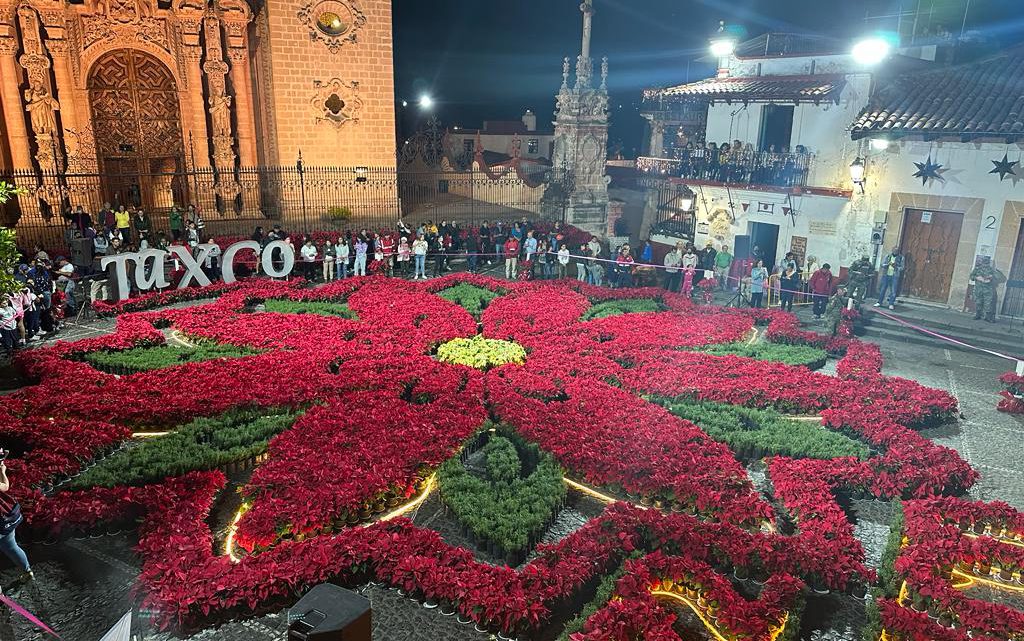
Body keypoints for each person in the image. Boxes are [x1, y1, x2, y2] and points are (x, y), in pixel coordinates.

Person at [0, 451, 33, 583]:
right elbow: (5, 486)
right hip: (5, 521)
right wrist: (2, 471)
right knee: (12, 547)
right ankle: (27, 571)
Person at [970, 256, 1002, 323]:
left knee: (988, 304)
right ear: (982, 262)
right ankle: (978, 315)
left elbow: (999, 277)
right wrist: (977, 278)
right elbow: (971, 276)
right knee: (978, 302)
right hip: (978, 289)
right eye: (984, 262)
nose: (985, 264)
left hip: (988, 290)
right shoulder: (977, 269)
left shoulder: (991, 269)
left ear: (988, 263)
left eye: (986, 263)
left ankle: (988, 317)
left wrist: (991, 277)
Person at [874, 246, 904, 310]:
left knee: (893, 291)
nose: (895, 252)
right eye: (894, 250)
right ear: (892, 250)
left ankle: (891, 303)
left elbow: (902, 268)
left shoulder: (901, 258)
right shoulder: (888, 256)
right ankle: (879, 302)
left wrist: (896, 267)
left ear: (898, 251)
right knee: (882, 289)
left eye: (897, 251)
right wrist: (887, 265)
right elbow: (882, 264)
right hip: (886, 274)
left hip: (895, 275)